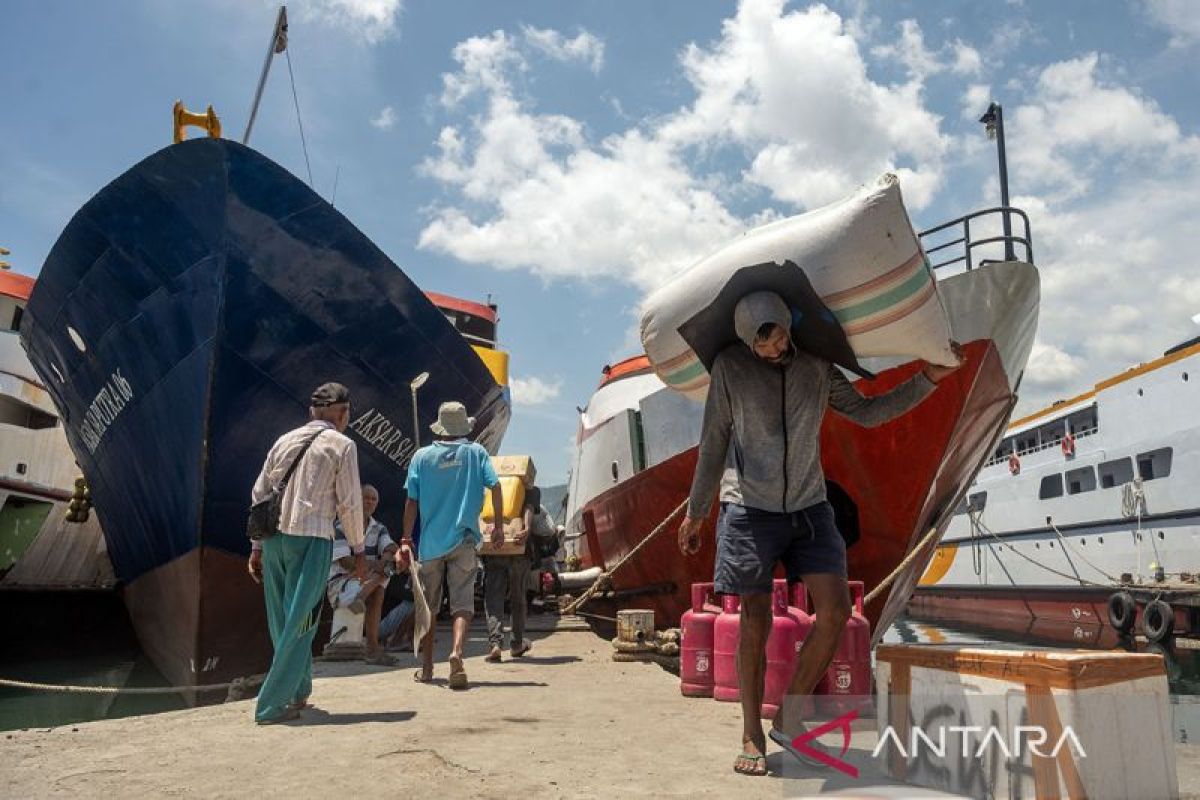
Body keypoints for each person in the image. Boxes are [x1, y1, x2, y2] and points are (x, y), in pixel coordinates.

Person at [676, 291, 962, 775]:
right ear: (748, 343)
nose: (774, 349)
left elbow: (868, 412)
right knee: (754, 621)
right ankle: (751, 732)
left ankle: (789, 714)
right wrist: (697, 512)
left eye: (779, 336)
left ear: (788, 326)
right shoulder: (730, 368)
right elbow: (714, 442)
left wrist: (928, 379)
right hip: (748, 508)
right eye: (763, 344)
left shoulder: (816, 366)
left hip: (809, 506)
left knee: (833, 613)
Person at [248, 382, 365, 725]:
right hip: (312, 538)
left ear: (310, 412)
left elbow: (259, 493)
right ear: (343, 414)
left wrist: (255, 546)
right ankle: (271, 704)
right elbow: (349, 503)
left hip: (273, 539)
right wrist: (359, 550)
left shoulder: (284, 440)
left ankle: (299, 690)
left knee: (281, 619)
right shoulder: (343, 445)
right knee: (304, 621)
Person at [400, 401, 503, 690]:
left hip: (430, 545)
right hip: (465, 540)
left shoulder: (421, 457)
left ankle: (428, 667)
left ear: (441, 427)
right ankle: (457, 653)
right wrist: (495, 526)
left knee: (429, 608)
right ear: (464, 427)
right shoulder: (476, 453)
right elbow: (495, 486)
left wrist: (406, 539)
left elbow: (411, 501)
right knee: (462, 604)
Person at [326, 484, 398, 665]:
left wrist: (384, 561)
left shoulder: (378, 528)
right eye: (366, 498)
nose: (370, 502)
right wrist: (381, 566)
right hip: (341, 583)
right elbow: (346, 562)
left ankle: (365, 594)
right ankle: (372, 648)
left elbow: (391, 548)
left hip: (366, 582)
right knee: (385, 576)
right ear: (356, 500)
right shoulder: (341, 525)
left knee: (382, 578)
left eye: (374, 499)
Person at [482, 486, 539, 662]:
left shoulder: (492, 490)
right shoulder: (531, 489)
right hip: (519, 548)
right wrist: (527, 528)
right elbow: (529, 507)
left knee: (494, 598)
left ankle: (495, 644)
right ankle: (516, 644)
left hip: (495, 548)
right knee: (518, 598)